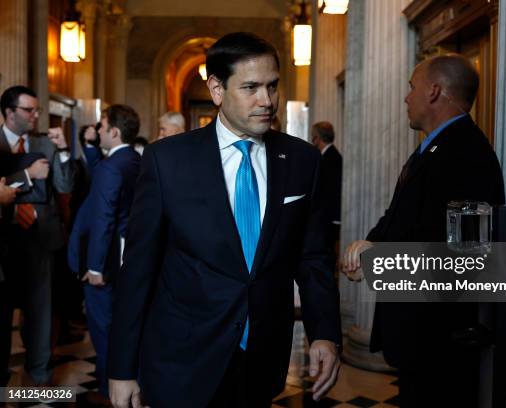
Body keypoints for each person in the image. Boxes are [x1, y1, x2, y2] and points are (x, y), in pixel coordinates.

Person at [108, 32, 342, 408]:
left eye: (272, 86)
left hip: (263, 358)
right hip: (183, 358)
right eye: (250, 87)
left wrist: (326, 333)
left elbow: (312, 257)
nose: (266, 101)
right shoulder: (167, 161)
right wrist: (121, 369)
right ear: (217, 89)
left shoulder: (302, 161)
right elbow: (138, 270)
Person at [342, 54, 506, 407]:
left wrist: (380, 261)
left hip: (439, 336)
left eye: (411, 87)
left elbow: (466, 254)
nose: (406, 97)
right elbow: (400, 216)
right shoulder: (434, 147)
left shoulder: (467, 153)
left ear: (434, 91)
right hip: (417, 332)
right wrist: (370, 243)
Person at [0, 85, 75, 387]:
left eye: (36, 110)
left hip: (39, 239)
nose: (35, 116)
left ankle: (40, 375)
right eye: (28, 110)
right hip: (4, 238)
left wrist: (66, 150)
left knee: (40, 310)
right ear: (8, 112)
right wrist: (29, 175)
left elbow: (65, 184)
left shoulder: (45, 144)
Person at [67, 105, 141, 406]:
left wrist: (95, 267)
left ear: (114, 131)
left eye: (102, 127)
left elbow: (103, 219)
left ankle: (112, 389)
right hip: (128, 257)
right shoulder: (134, 159)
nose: (97, 131)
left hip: (107, 261)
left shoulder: (113, 167)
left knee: (104, 326)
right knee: (120, 322)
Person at [310, 121, 342, 245]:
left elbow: (331, 191)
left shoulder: (330, 159)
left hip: (329, 219)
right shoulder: (328, 156)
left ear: (317, 138)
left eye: (313, 136)